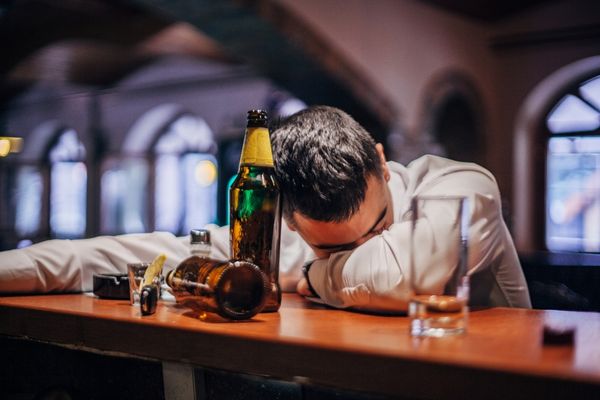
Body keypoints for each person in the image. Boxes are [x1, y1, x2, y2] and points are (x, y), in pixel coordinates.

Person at [0, 106, 531, 311]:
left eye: (379, 226)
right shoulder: (280, 223)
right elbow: (150, 253)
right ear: (284, 211)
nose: (365, 249)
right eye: (336, 246)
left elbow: (403, 278)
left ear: (381, 161)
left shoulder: (463, 188)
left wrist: (312, 270)